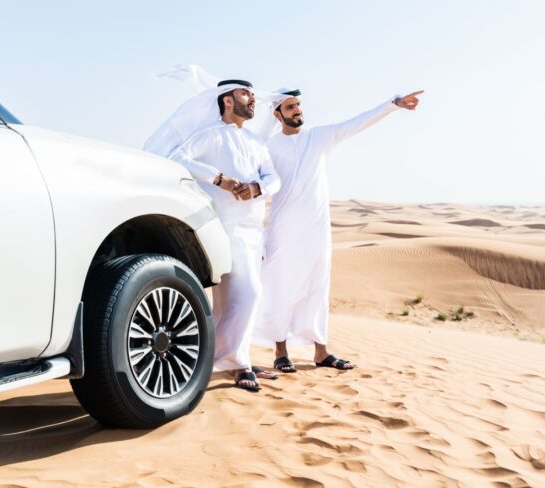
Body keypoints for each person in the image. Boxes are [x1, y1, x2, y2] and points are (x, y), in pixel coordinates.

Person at [253, 87, 423, 373]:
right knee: (281, 285)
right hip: (283, 228)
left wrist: (392, 104)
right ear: (277, 114)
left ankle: (321, 351)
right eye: (291, 107)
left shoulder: (320, 137)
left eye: (298, 105)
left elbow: (358, 122)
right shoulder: (267, 148)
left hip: (317, 228)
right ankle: (280, 352)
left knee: (318, 286)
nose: (298, 110)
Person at [164, 79, 281, 391]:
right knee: (249, 295)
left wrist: (257, 187)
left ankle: (219, 359)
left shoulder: (256, 142)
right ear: (228, 100)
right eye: (245, 94)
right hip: (224, 228)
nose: (252, 99)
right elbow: (175, 158)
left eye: (253, 94)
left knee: (232, 303)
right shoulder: (208, 135)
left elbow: (274, 178)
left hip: (254, 229)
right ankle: (236, 363)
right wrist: (218, 179)